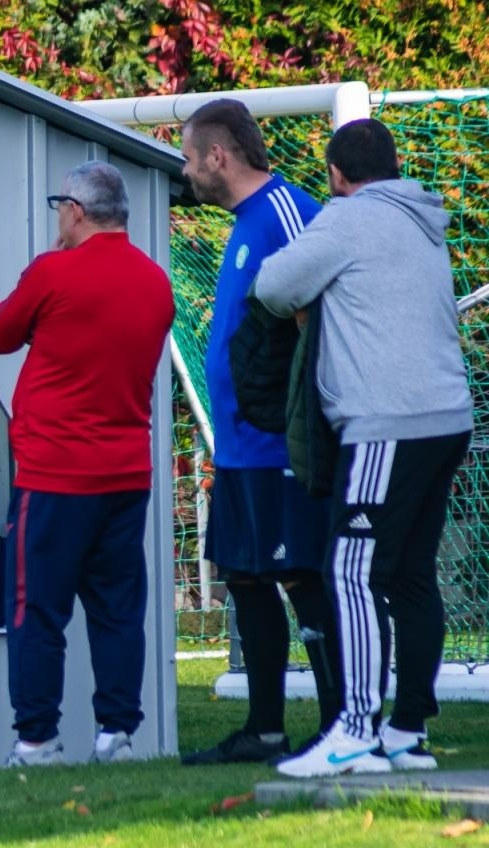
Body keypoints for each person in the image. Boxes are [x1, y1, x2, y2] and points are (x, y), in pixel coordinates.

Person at [256, 118, 473, 777]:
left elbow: (273, 286)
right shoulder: (421, 219)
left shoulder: (345, 218)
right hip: (446, 419)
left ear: (337, 175)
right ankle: (407, 729)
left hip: (386, 422)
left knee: (351, 572)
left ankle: (355, 731)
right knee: (408, 574)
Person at [0, 160, 175, 766]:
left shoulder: (53, 272)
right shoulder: (154, 280)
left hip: (54, 474)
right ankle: (116, 734)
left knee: (36, 609)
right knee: (117, 610)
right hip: (125, 472)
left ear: (74, 210)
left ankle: (37, 738)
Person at [175, 99, 343, 766]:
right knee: (244, 576)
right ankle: (265, 728)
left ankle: (341, 723)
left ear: (219, 156)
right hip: (241, 445)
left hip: (280, 445)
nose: (186, 173)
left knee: (303, 577)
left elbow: (324, 312)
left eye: (190, 158)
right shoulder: (247, 222)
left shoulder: (287, 212)